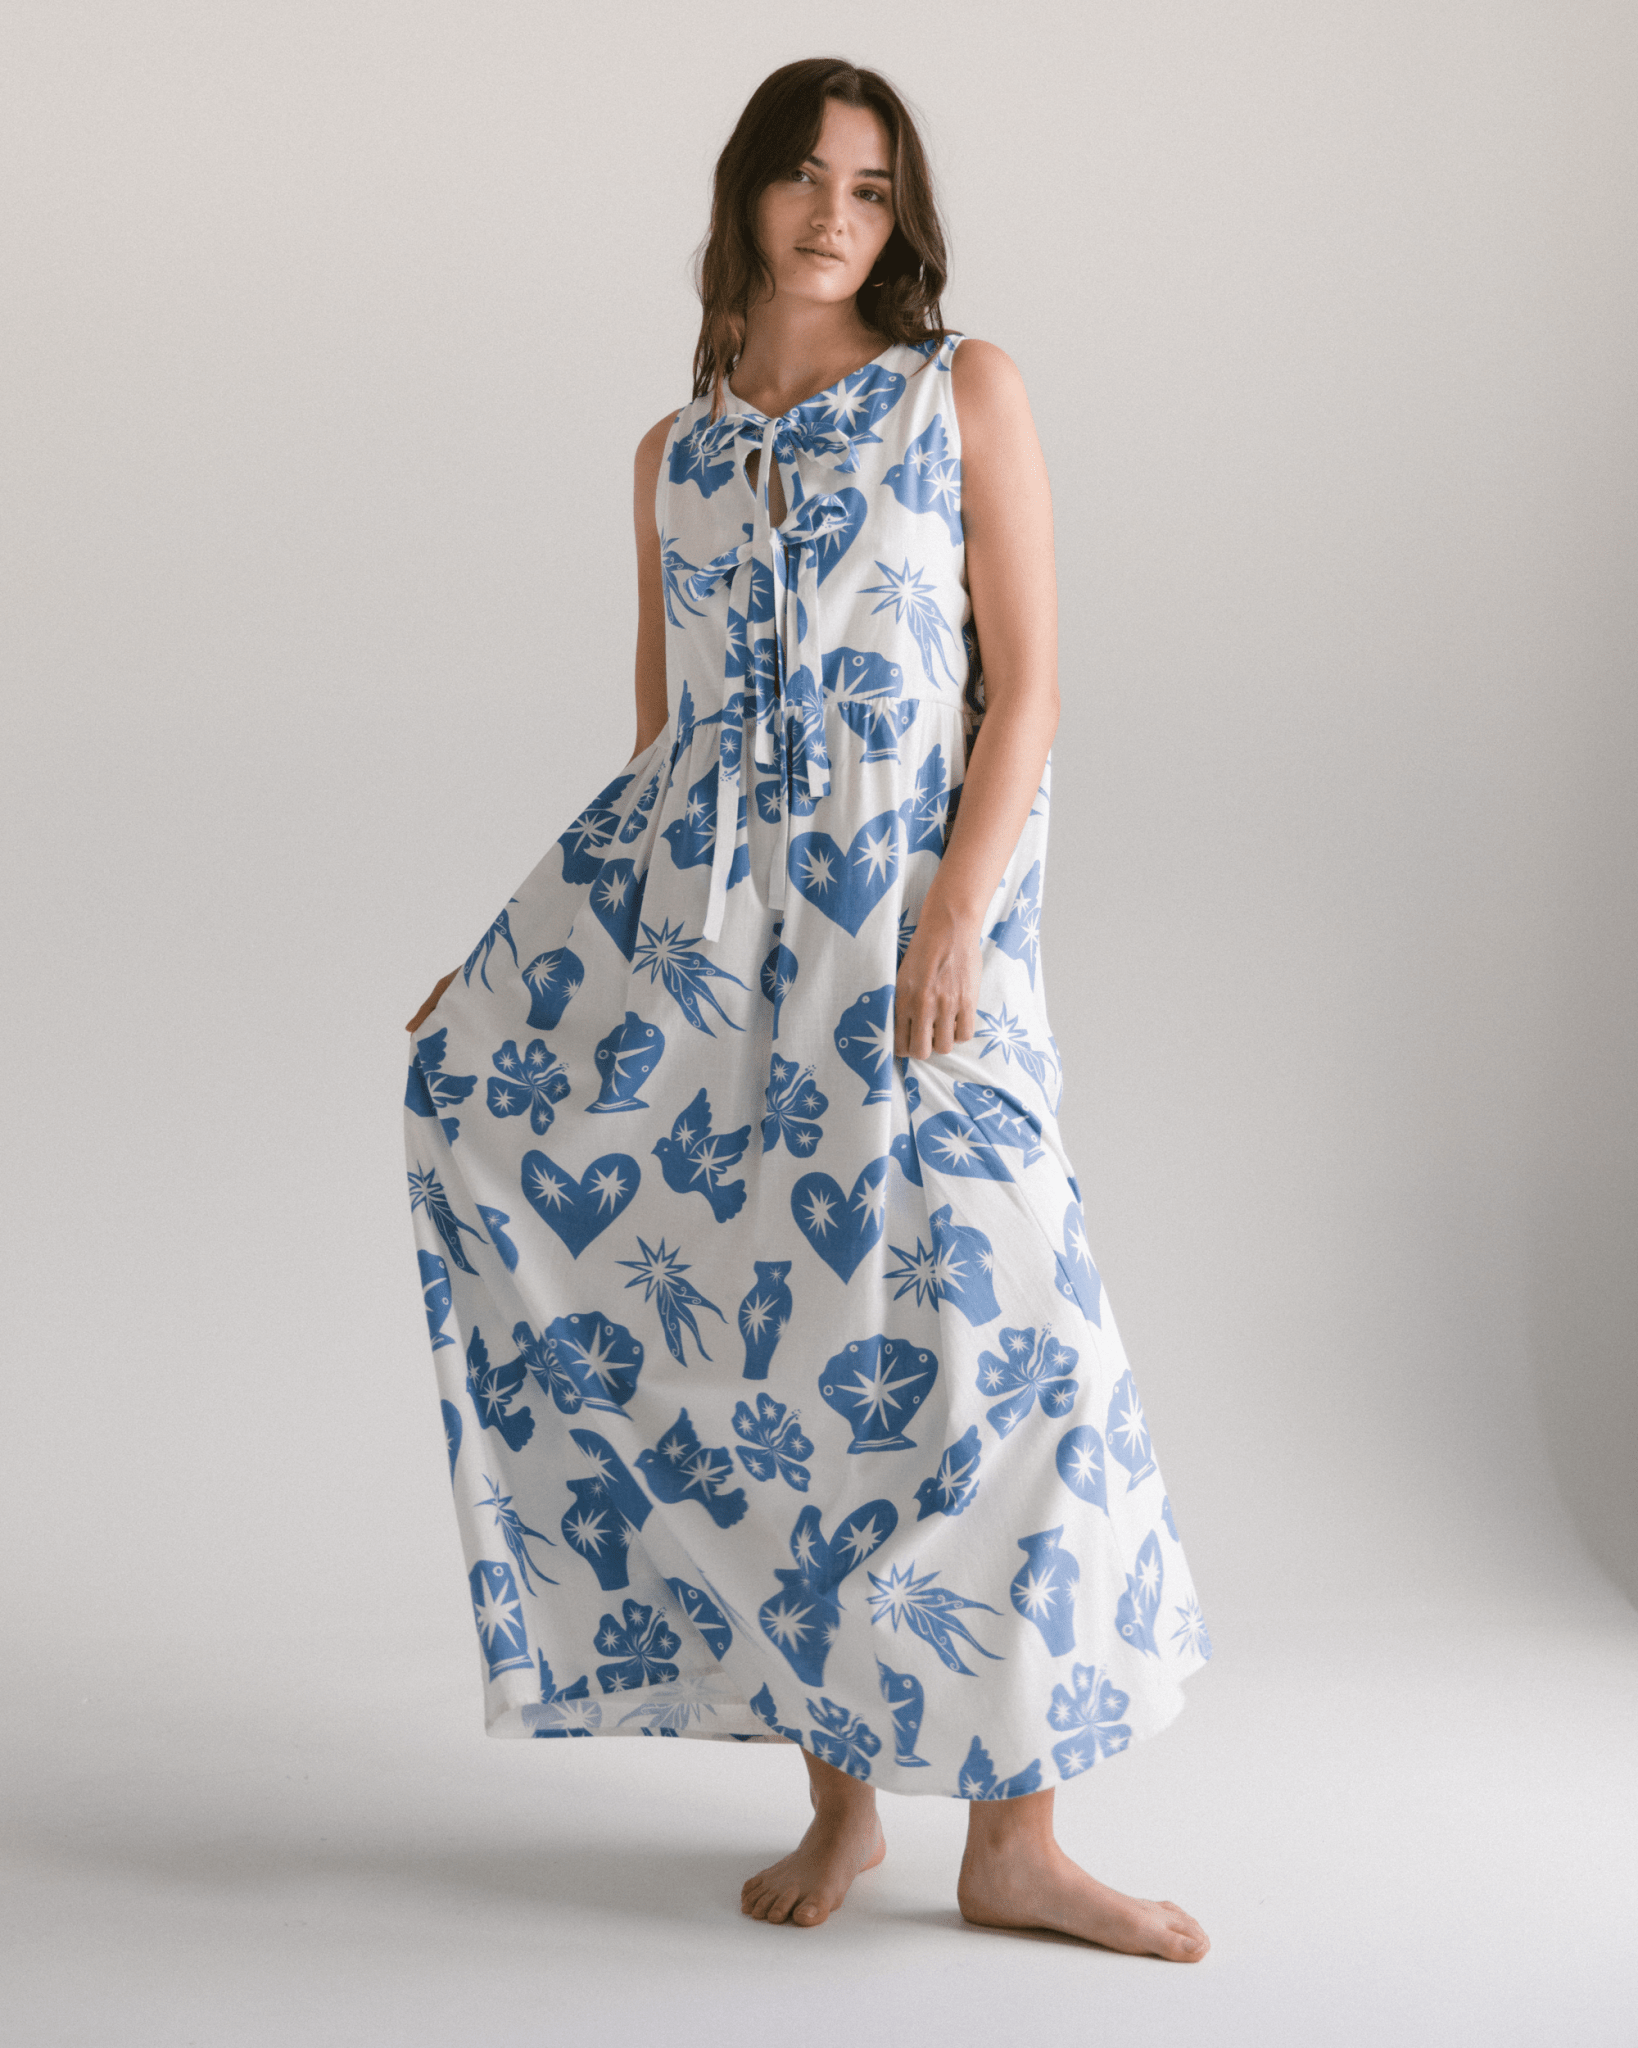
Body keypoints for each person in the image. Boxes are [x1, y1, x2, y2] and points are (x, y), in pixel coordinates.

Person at [404, 56, 1211, 1962]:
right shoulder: (670, 458)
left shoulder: (959, 394)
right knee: (787, 1385)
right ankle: (842, 1806)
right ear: (748, 196)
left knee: (1014, 1360)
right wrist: (513, 968)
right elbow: (660, 750)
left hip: (919, 969)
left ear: (899, 216)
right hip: (720, 985)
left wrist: (954, 919)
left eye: (868, 183)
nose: (833, 211)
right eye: (801, 174)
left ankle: (1015, 1840)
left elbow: (1029, 692)